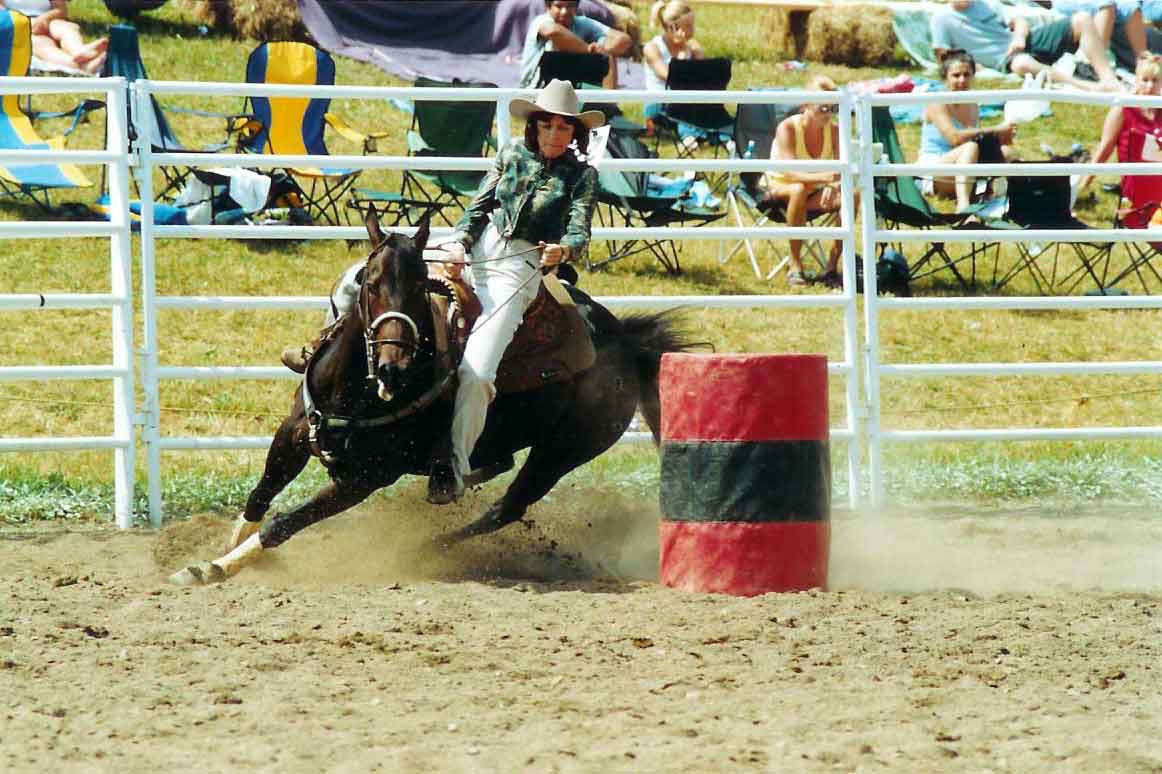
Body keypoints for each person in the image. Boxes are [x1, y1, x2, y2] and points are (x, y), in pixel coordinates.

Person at [281, 80, 602, 504]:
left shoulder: (582, 176)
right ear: (535, 126)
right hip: (476, 248)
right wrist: (460, 244)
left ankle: (454, 464)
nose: (554, 135)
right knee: (361, 275)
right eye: (548, 126)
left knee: (476, 373)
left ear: (575, 133)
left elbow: (580, 229)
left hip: (520, 269)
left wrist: (563, 249)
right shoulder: (510, 156)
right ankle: (319, 347)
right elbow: (480, 207)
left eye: (564, 128)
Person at [761, 75, 856, 288]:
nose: (829, 114)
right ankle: (795, 264)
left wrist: (834, 183)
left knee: (854, 194)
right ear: (806, 105)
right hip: (777, 188)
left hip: (814, 190)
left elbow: (843, 169)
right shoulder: (788, 128)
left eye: (833, 108)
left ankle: (832, 267)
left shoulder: (835, 131)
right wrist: (827, 178)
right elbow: (791, 172)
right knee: (797, 189)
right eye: (823, 108)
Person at [930, 0, 1122, 93]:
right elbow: (943, 56)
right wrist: (972, 66)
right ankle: (1087, 86)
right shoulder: (942, 19)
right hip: (1005, 59)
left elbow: (1019, 20)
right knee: (1022, 63)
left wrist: (1019, 37)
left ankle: (1109, 79)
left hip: (1024, 42)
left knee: (1082, 19)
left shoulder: (986, 3)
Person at [919, 49, 1017, 212]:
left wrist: (1002, 137)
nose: (962, 80)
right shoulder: (937, 102)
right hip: (935, 170)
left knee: (1007, 152)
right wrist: (995, 130)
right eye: (956, 75)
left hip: (965, 165)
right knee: (971, 147)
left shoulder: (972, 103)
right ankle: (963, 206)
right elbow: (955, 138)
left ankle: (1021, 198)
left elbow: (978, 138)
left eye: (966, 74)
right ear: (945, 78)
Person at [1080, 53, 1162, 217]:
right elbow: (1105, 149)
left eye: (1155, 81)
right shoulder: (1124, 108)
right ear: (1136, 81)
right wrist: (1083, 185)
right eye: (1145, 80)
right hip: (1136, 187)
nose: (1150, 86)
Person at [518, 0, 632, 89]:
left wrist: (603, 49)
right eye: (559, 6)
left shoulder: (582, 22)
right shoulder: (541, 21)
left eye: (570, 6)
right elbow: (553, 31)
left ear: (576, 7)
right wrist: (587, 50)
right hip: (536, 87)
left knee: (607, 56)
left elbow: (623, 39)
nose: (564, 11)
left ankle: (609, 107)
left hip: (573, 84)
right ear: (548, 7)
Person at [642, 0, 704, 142]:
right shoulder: (653, 48)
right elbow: (671, 78)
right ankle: (690, 135)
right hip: (658, 103)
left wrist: (696, 53)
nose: (692, 30)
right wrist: (682, 53)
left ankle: (722, 136)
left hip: (685, 101)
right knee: (683, 103)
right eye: (688, 26)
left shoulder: (692, 46)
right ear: (672, 27)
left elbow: (704, 75)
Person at [1, 0, 107, 75]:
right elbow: (3, 14)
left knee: (67, 28)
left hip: (47, 19)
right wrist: (28, 22)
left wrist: (44, 19)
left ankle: (79, 51)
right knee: (40, 43)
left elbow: (61, 10)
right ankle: (80, 65)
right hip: (19, 24)